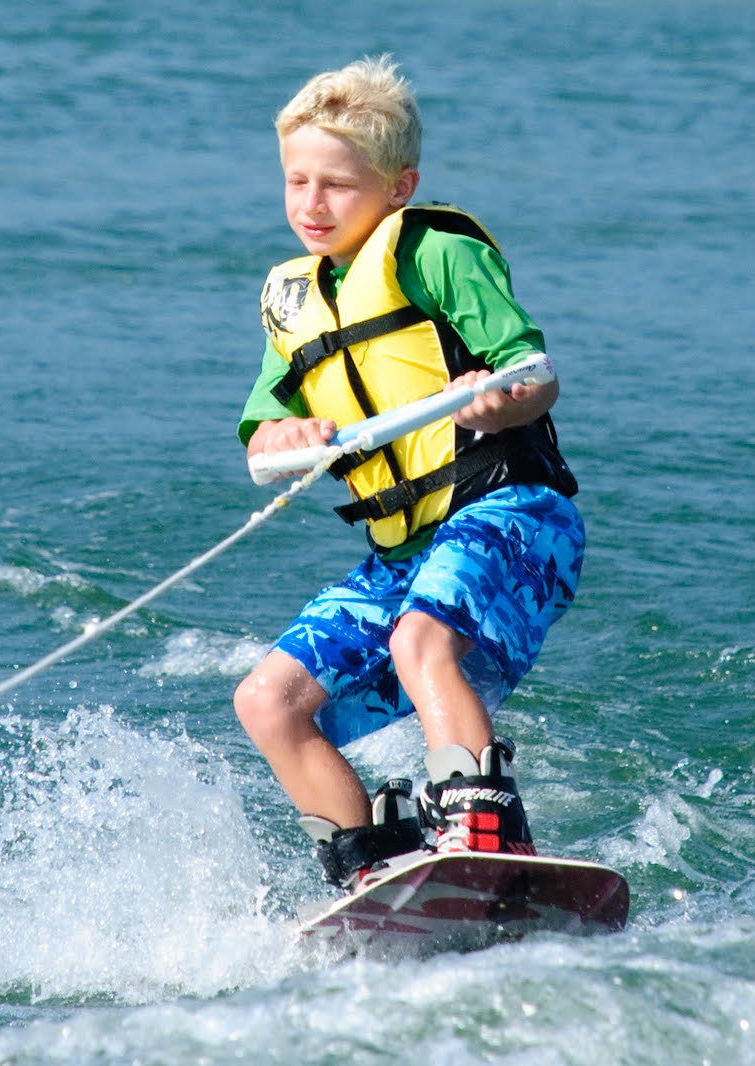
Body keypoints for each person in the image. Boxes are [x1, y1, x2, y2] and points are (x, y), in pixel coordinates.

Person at [233, 55, 584, 889]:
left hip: (513, 514)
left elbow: (536, 375)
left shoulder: (437, 252)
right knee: (267, 702)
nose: (311, 205)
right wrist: (285, 435)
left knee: (419, 640)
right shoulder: (294, 302)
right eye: (296, 182)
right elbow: (260, 440)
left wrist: (501, 399)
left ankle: (485, 833)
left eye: (337, 186)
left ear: (398, 187)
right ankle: (373, 869)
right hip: (402, 555)